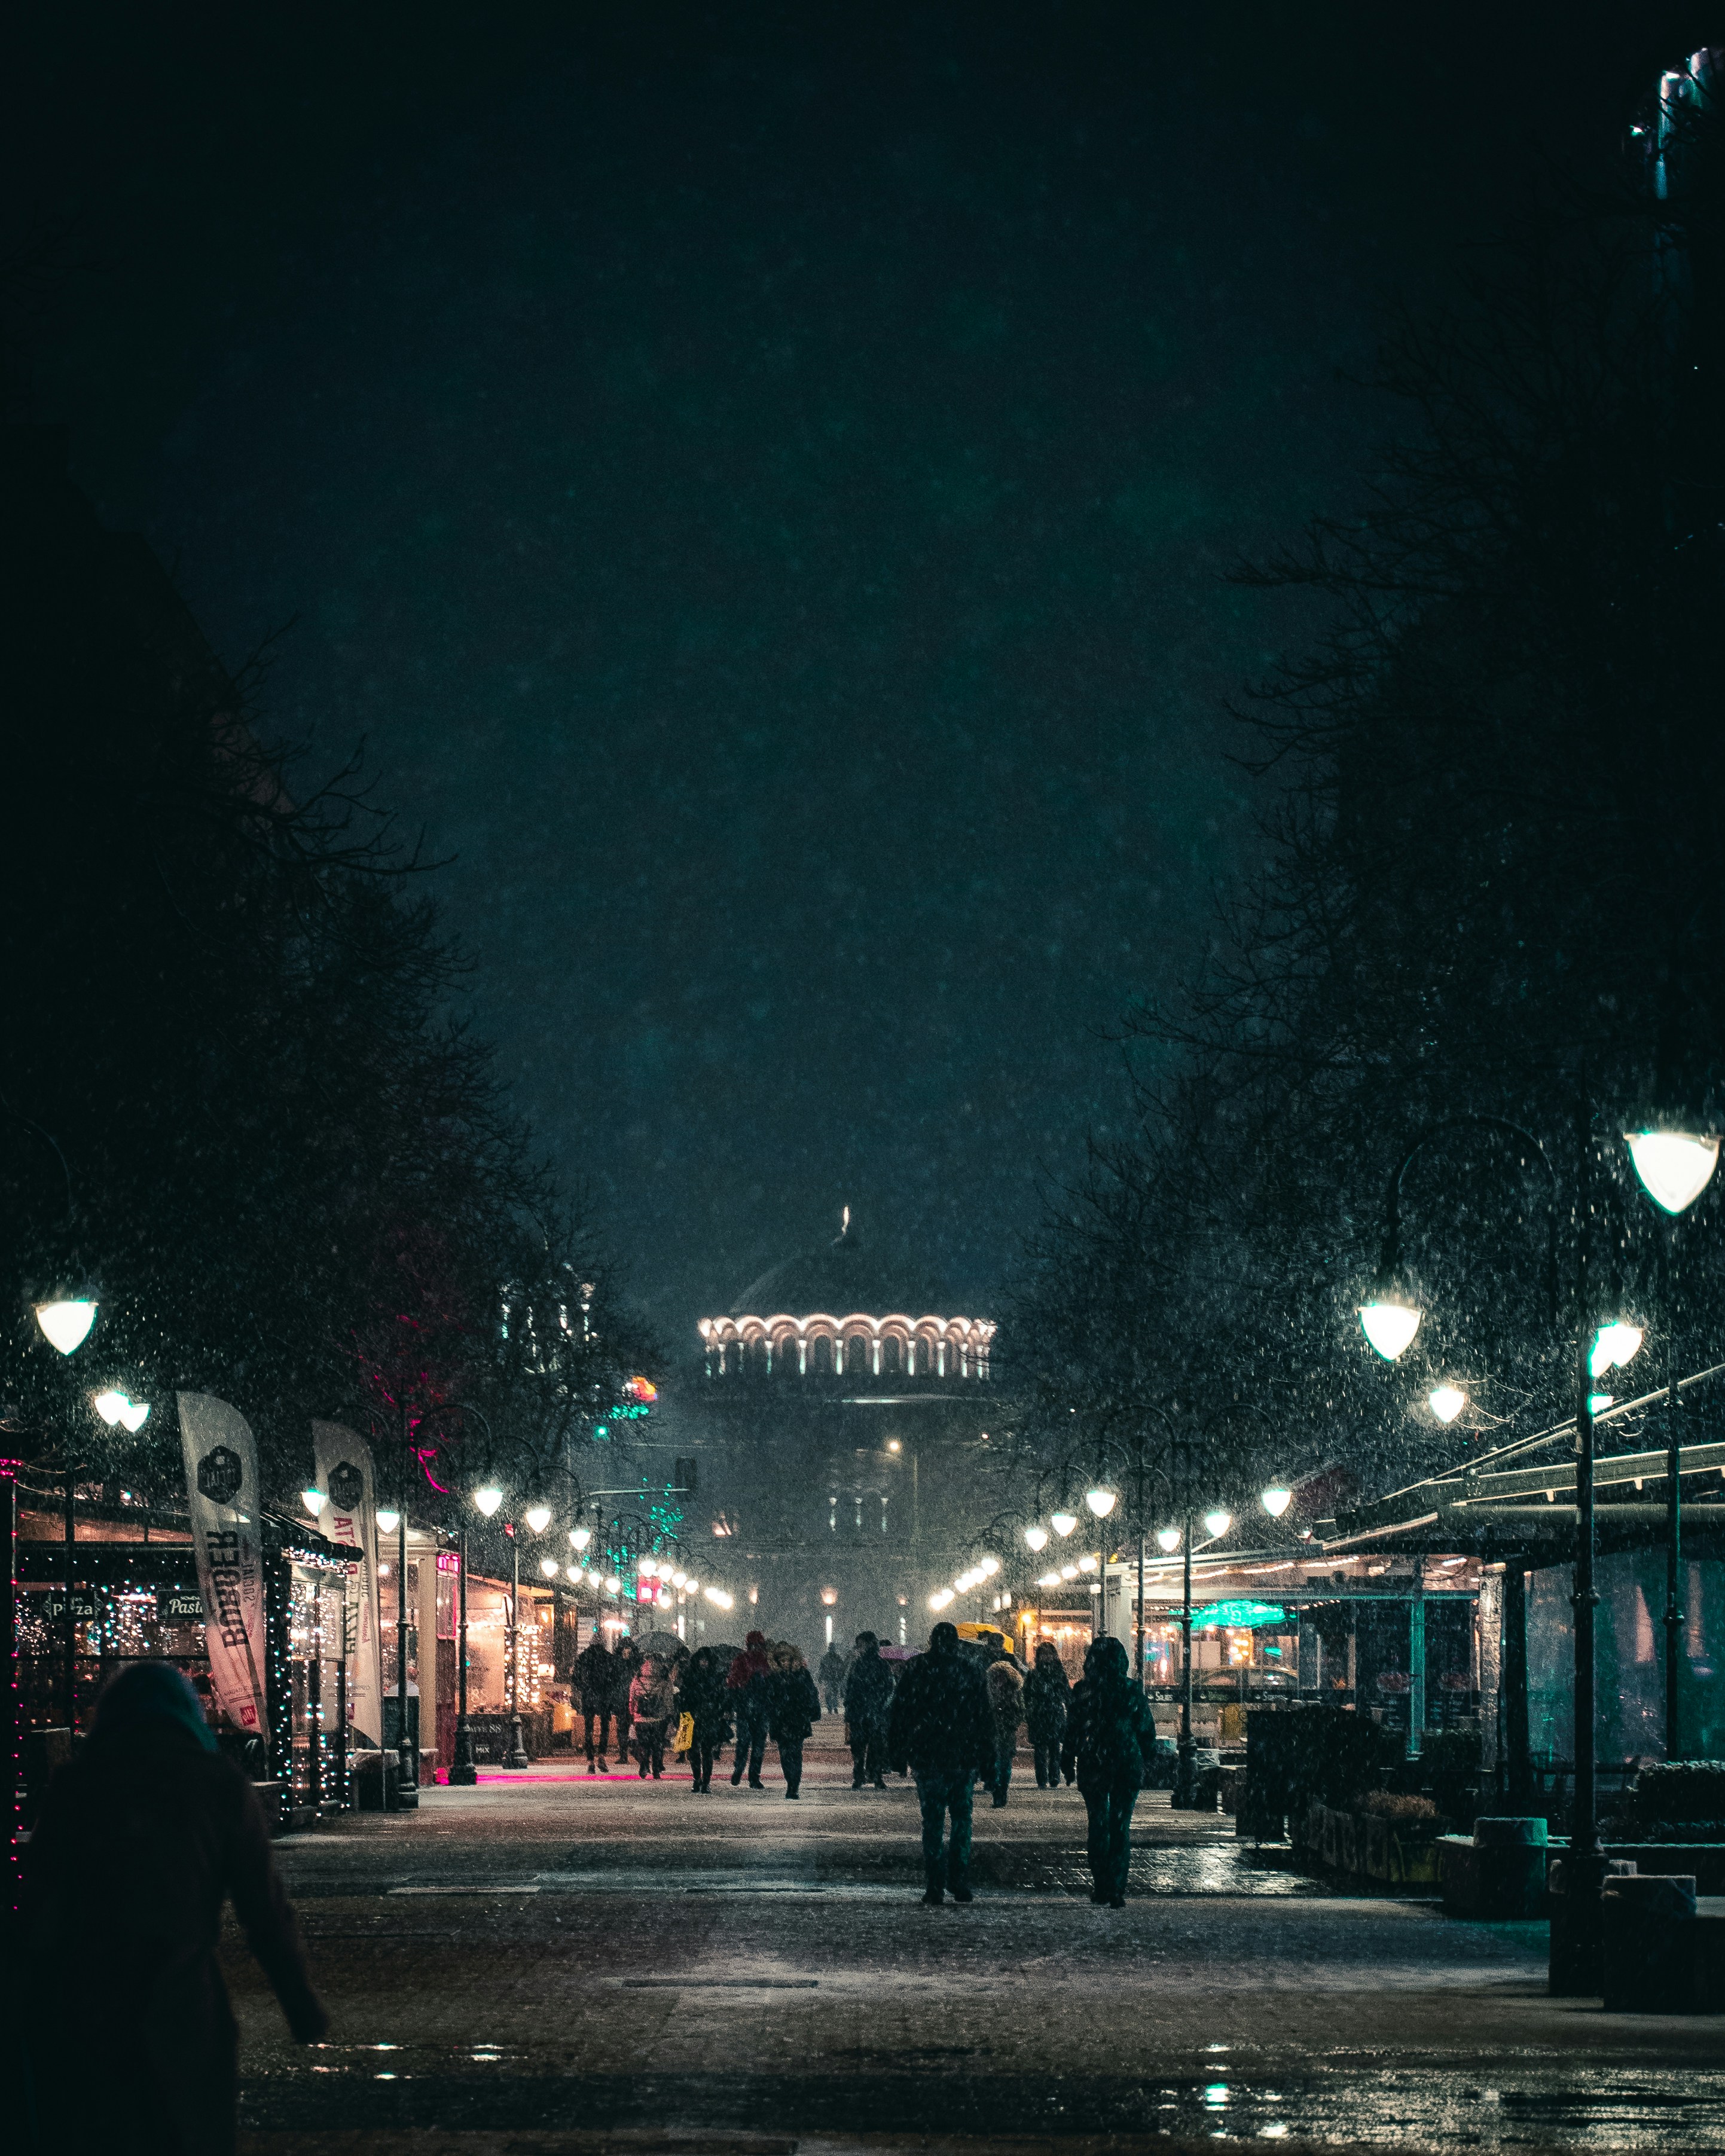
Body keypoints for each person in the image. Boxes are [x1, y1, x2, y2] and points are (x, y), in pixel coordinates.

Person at [23, 1659, 328, 2156]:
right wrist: (300, 2004)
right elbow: (264, 1911)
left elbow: (39, 1899)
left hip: (85, 1996)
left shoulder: (78, 1786)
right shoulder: (217, 1786)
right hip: (182, 1995)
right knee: (189, 2127)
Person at [886, 1620, 995, 1905]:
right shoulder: (969, 1670)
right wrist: (988, 1759)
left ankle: (934, 1883)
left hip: (929, 1755)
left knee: (933, 1821)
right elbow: (984, 1717)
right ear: (956, 1643)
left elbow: (900, 1713)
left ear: (932, 1641)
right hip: (963, 1755)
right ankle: (959, 1880)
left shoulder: (917, 1669)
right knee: (962, 1819)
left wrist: (898, 1752)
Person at [1061, 1635, 1158, 1907]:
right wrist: (1147, 1754)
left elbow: (1073, 1729)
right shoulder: (1130, 1689)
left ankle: (1101, 1883)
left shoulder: (1084, 1690)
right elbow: (1145, 1726)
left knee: (1098, 1822)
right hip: (1126, 1761)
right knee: (1120, 1825)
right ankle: (1116, 1885)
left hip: (1095, 1761)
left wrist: (1068, 1758)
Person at [766, 1639, 822, 1797]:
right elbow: (768, 1699)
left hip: (797, 1719)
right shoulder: (774, 1678)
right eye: (781, 1660)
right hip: (782, 1720)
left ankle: (793, 1786)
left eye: (787, 1659)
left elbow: (811, 1694)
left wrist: (809, 1710)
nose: (785, 1663)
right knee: (785, 1754)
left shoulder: (802, 1675)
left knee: (796, 1752)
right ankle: (790, 1781)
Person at [676, 1644, 731, 1792]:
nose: (704, 1663)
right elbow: (684, 1698)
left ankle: (705, 1781)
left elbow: (722, 1697)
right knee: (694, 1751)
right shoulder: (691, 1677)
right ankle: (697, 1779)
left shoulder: (714, 1678)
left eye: (706, 1660)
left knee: (706, 1751)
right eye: (702, 1660)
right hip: (696, 1716)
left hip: (708, 1717)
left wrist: (720, 1709)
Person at [842, 1630, 894, 1789]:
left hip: (862, 1711)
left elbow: (849, 1688)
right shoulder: (881, 1664)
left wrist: (851, 1706)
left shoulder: (859, 1665)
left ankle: (860, 1776)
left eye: (860, 1645)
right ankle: (875, 1776)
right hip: (873, 1712)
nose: (858, 1648)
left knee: (859, 1746)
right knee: (875, 1745)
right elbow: (888, 1688)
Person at [1022, 1639, 1073, 1788]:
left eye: (1049, 1654)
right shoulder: (1033, 1674)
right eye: (1044, 1654)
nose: (1047, 1657)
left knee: (1055, 1747)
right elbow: (1026, 1694)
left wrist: (1071, 1711)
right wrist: (1029, 1711)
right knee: (1040, 1749)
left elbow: (1066, 1694)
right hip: (1039, 1714)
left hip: (1054, 1713)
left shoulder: (1059, 1674)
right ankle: (1042, 1778)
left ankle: (1054, 1776)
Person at [726, 1629, 773, 1787]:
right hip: (752, 1707)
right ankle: (748, 1774)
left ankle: (746, 1773)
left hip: (753, 1707)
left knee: (749, 1743)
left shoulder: (754, 1661)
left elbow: (733, 1683)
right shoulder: (761, 1662)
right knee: (751, 1744)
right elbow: (734, 1683)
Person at [983, 1646, 1025, 1807]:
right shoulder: (988, 1691)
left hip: (1006, 1731)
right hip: (992, 1731)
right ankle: (995, 1787)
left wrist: (1011, 1721)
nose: (999, 1680)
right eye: (997, 1676)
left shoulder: (1014, 1691)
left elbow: (1020, 1710)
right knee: (994, 1761)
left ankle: (1002, 1789)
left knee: (1005, 1763)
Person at [574, 1632, 617, 1772]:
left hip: (589, 1696)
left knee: (589, 1728)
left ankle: (591, 1760)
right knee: (605, 1727)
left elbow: (575, 1677)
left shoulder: (584, 1657)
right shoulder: (608, 1658)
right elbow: (614, 1680)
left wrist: (584, 1688)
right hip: (604, 1696)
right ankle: (602, 1756)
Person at [629, 1653, 677, 1778]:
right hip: (658, 1718)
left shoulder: (637, 1679)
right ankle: (656, 1769)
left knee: (643, 1744)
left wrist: (633, 1714)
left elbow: (632, 1699)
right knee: (657, 1744)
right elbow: (668, 1701)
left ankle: (644, 1764)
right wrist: (670, 1714)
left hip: (641, 1718)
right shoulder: (664, 1680)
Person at [611, 1636, 642, 1764]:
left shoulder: (636, 1663)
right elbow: (613, 1681)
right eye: (624, 1649)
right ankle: (624, 1754)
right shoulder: (617, 1663)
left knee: (636, 1727)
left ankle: (635, 1750)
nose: (626, 1652)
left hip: (634, 1699)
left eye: (628, 1649)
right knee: (623, 1727)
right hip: (622, 1700)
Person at [817, 1638, 847, 1714]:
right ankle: (832, 1707)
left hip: (833, 1678)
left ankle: (832, 1707)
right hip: (832, 1678)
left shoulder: (830, 1658)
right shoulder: (835, 1658)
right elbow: (823, 1668)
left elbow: (822, 1669)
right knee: (832, 1693)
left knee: (832, 1693)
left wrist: (821, 1677)